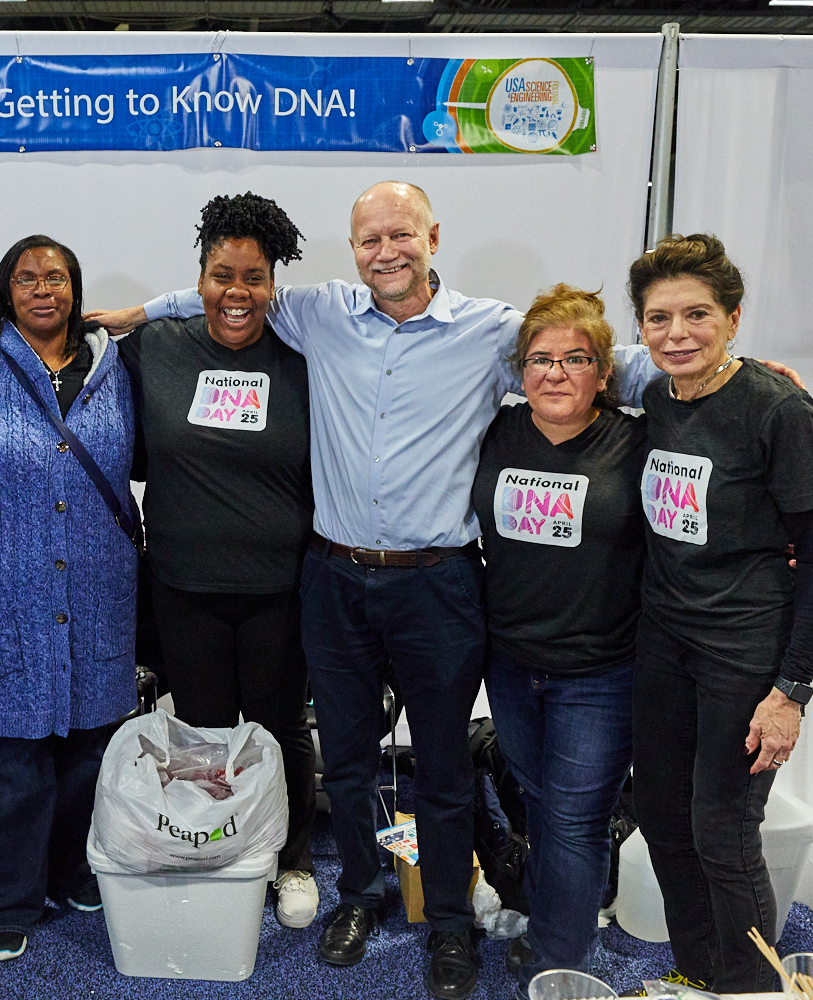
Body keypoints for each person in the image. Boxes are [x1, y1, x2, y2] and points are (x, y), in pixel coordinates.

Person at [90, 181, 661, 997]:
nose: (385, 252)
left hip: (440, 583)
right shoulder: (319, 312)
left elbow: (596, 357)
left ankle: (451, 922)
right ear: (352, 250)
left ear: (434, 236)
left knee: (441, 765)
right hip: (333, 575)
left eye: (401, 235)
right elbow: (231, 288)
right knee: (349, 760)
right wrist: (140, 315)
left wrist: (707, 377)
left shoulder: (491, 331)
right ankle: (360, 893)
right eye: (369, 240)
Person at [627, 234, 813, 993]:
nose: (676, 333)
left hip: (744, 654)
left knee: (722, 833)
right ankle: (701, 971)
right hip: (664, 641)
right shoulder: (657, 396)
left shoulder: (777, 411)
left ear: (734, 318)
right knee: (661, 815)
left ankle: (750, 989)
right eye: (658, 318)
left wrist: (791, 692)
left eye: (697, 315)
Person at [118, 193, 319, 926]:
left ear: (274, 283)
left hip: (280, 585)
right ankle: (218, 849)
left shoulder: (304, 354)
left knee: (277, 728)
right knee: (201, 730)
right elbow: (56, 352)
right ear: (199, 277)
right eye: (221, 275)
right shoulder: (156, 347)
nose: (236, 294)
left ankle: (291, 859)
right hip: (182, 583)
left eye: (253, 278)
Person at [0, 235, 137, 963]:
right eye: (27, 278)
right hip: (2, 592)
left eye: (56, 276)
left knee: (89, 749)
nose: (43, 288)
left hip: (97, 589)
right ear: (5, 290)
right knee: (10, 759)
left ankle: (72, 870)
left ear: (76, 290)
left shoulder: (118, 369)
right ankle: (5, 900)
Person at [472, 285, 647, 992]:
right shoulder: (496, 433)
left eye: (575, 359)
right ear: (520, 371)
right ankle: (556, 921)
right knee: (543, 807)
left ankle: (562, 963)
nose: (555, 373)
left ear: (604, 373)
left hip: (601, 672)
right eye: (540, 359)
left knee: (576, 819)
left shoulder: (637, 441)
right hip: (512, 665)